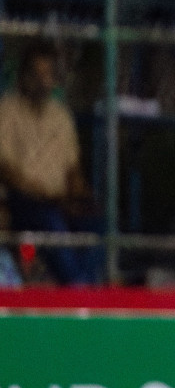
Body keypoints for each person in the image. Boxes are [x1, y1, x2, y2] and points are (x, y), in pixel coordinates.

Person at [0, 45, 100, 284]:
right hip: (22, 201)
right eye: (36, 73)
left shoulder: (60, 115)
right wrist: (39, 193)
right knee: (49, 221)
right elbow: (5, 168)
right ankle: (75, 290)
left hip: (59, 200)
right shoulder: (8, 110)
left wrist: (79, 197)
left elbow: (73, 170)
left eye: (47, 74)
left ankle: (84, 287)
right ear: (24, 75)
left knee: (98, 223)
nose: (42, 80)